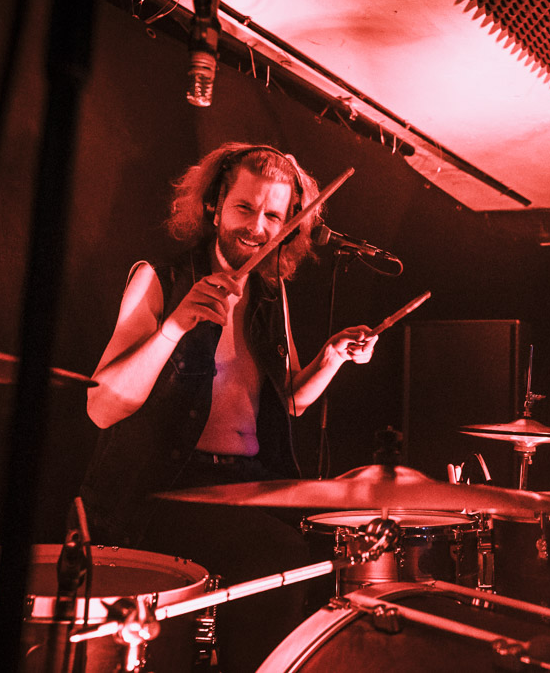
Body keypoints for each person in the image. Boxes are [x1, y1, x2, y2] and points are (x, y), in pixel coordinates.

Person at [80, 142, 377, 671]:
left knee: (328, 551)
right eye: (245, 207)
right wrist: (174, 327)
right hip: (169, 490)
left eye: (273, 216)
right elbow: (102, 408)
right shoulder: (160, 279)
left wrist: (332, 357)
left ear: (288, 224)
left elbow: (290, 402)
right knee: (277, 556)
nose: (257, 227)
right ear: (215, 205)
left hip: (249, 487)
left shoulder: (271, 294)